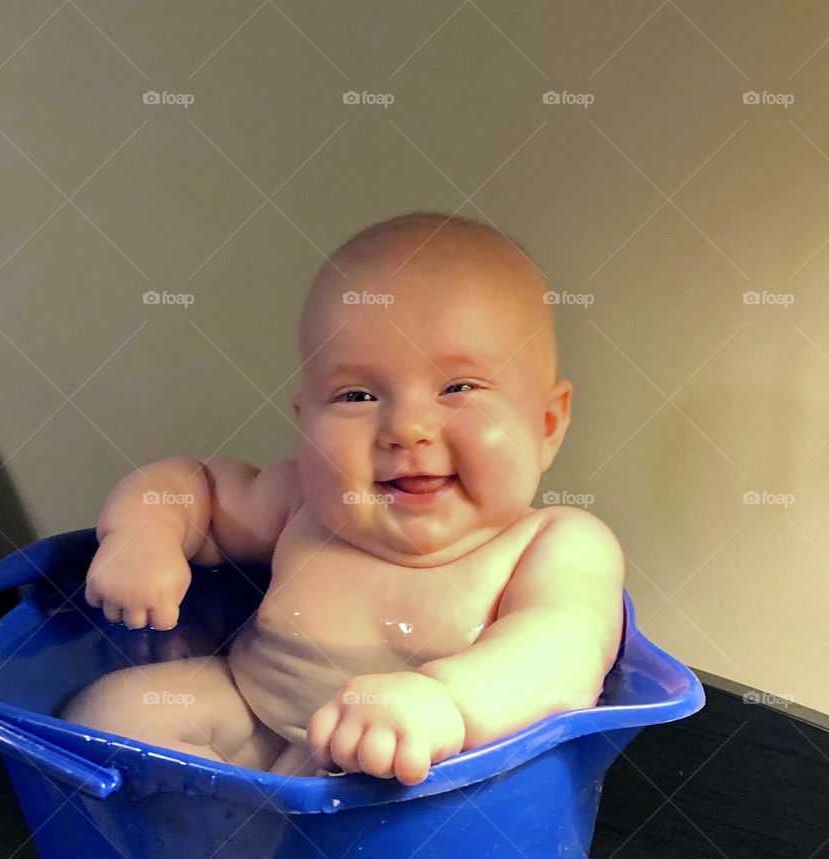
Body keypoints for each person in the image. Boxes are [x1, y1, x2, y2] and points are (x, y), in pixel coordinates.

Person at [61, 212, 626, 786]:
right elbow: (196, 488)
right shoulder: (304, 501)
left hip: (428, 775)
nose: (406, 428)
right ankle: (216, 833)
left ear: (548, 423)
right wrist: (143, 532)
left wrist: (446, 703)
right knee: (113, 711)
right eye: (356, 394)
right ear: (306, 424)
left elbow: (563, 650)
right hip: (256, 723)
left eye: (459, 387)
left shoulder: (555, 543)